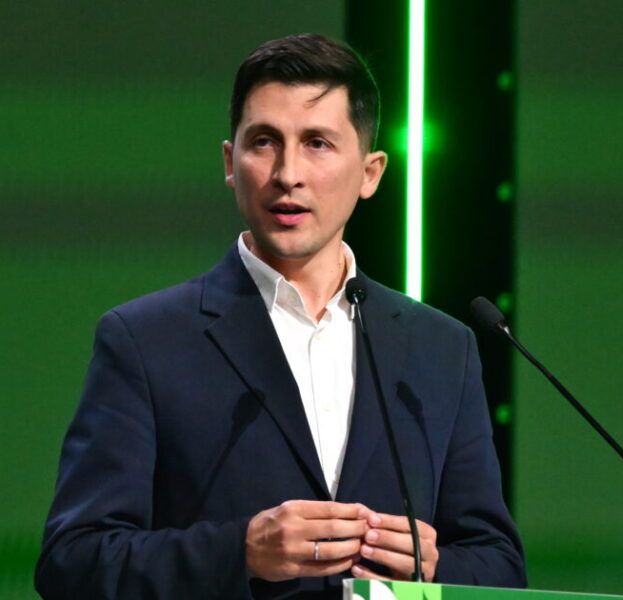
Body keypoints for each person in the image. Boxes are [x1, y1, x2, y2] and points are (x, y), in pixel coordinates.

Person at [35, 33, 526, 599]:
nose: (287, 173)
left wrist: (435, 568)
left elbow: (499, 566)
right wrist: (241, 551)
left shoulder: (440, 348)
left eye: (317, 143)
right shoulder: (145, 341)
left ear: (370, 173)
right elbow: (72, 562)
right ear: (230, 162)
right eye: (264, 142)